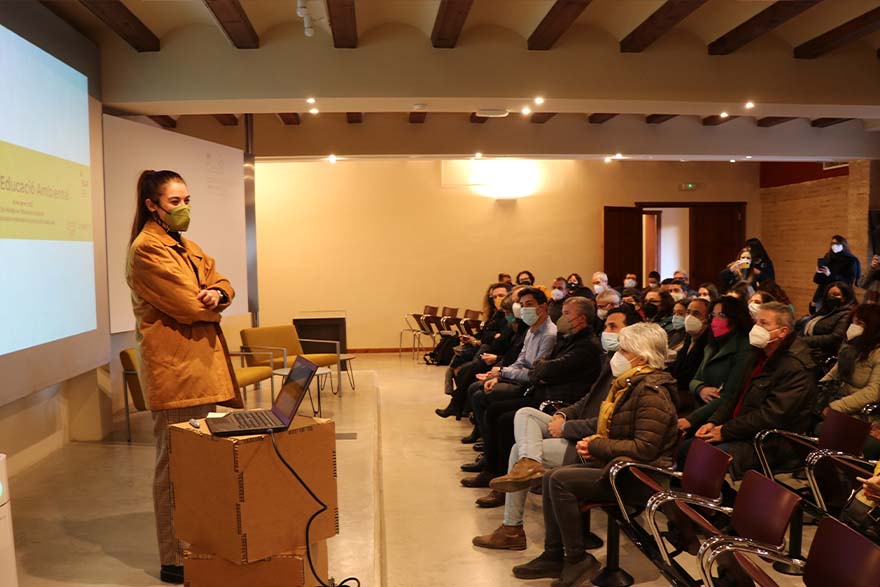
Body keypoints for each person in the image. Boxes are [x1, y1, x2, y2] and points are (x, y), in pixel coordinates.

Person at [126, 170, 239, 585]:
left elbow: (220, 281)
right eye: (174, 201)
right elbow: (188, 306)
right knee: (174, 468)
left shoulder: (185, 245)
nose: (184, 207)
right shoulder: (146, 250)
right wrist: (209, 301)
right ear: (152, 205)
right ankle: (174, 557)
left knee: (197, 467)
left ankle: (196, 543)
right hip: (177, 375)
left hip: (199, 371)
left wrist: (219, 294)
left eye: (187, 198)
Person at [511, 323, 678, 585]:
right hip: (618, 464)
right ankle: (554, 555)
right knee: (550, 477)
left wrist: (596, 444)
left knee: (559, 480)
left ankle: (577, 560)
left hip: (639, 476)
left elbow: (645, 448)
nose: (618, 355)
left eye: (624, 350)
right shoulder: (630, 384)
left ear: (642, 357)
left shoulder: (651, 393)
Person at [471, 307, 642, 550]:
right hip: (575, 422)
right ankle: (528, 465)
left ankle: (512, 527)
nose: (606, 331)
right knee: (524, 415)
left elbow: (610, 423)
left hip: (591, 445)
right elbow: (588, 399)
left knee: (518, 447)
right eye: (607, 326)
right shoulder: (612, 360)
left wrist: (568, 426)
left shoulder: (632, 374)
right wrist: (564, 414)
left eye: (613, 326)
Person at [462, 296, 602, 496]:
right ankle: (491, 469)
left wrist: (542, 370)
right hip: (542, 391)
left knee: (504, 418)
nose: (561, 317)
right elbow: (540, 366)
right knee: (493, 409)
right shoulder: (566, 338)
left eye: (566, 313)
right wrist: (541, 370)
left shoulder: (586, 345)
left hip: (557, 401)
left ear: (580, 318)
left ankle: (503, 480)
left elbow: (546, 368)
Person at [686, 302, 817, 478]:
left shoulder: (797, 367)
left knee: (705, 459)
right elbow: (734, 396)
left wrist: (724, 431)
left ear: (782, 332)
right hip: (739, 429)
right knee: (686, 448)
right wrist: (713, 422)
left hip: (768, 441)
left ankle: (714, 502)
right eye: (756, 322)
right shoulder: (757, 353)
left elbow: (770, 416)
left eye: (764, 323)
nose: (756, 327)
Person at [679, 295, 753, 433]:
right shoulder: (712, 345)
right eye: (713, 315)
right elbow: (694, 380)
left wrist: (691, 420)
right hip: (700, 406)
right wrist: (700, 389)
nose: (715, 321)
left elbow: (729, 396)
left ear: (735, 319)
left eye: (722, 315)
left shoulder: (744, 349)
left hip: (718, 417)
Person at [822, 303, 880, 417]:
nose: (854, 327)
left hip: (858, 411)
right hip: (836, 397)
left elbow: (873, 393)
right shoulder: (852, 346)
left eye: (860, 324)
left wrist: (836, 407)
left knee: (820, 428)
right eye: (853, 322)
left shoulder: (877, 353)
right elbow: (835, 372)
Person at [668, 298, 712, 411]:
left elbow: (691, 374)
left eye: (696, 313)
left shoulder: (709, 342)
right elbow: (678, 366)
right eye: (688, 312)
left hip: (692, 395)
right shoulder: (689, 336)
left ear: (707, 318)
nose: (690, 317)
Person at [799, 282, 855, 368]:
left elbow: (835, 338)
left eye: (836, 295)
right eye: (829, 295)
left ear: (845, 297)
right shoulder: (826, 310)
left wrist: (804, 340)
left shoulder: (847, 314)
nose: (831, 297)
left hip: (821, 354)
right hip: (807, 348)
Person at [812, 235, 861, 313]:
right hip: (824, 294)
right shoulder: (828, 257)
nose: (834, 246)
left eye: (837, 243)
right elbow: (817, 281)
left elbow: (848, 282)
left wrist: (830, 275)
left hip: (840, 296)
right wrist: (818, 272)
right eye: (832, 244)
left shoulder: (851, 260)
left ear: (843, 245)